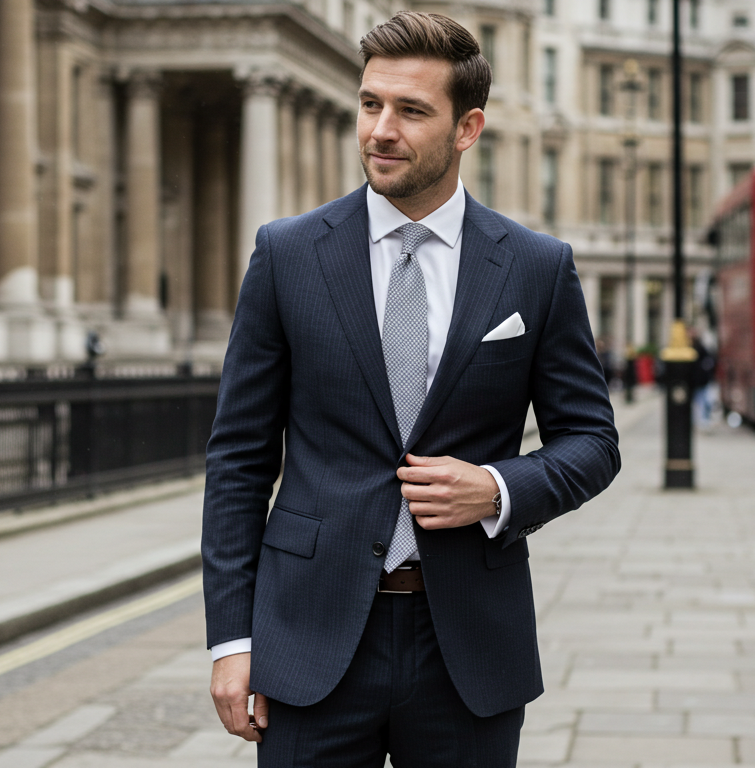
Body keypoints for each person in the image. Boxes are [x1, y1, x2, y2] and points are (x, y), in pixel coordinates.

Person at [202, 12, 621, 767]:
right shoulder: (287, 254)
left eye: (411, 110)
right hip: (311, 641)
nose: (380, 130)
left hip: (468, 647)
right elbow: (237, 460)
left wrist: (496, 488)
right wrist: (233, 641)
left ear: (468, 129)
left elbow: (593, 442)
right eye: (370, 104)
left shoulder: (535, 266)